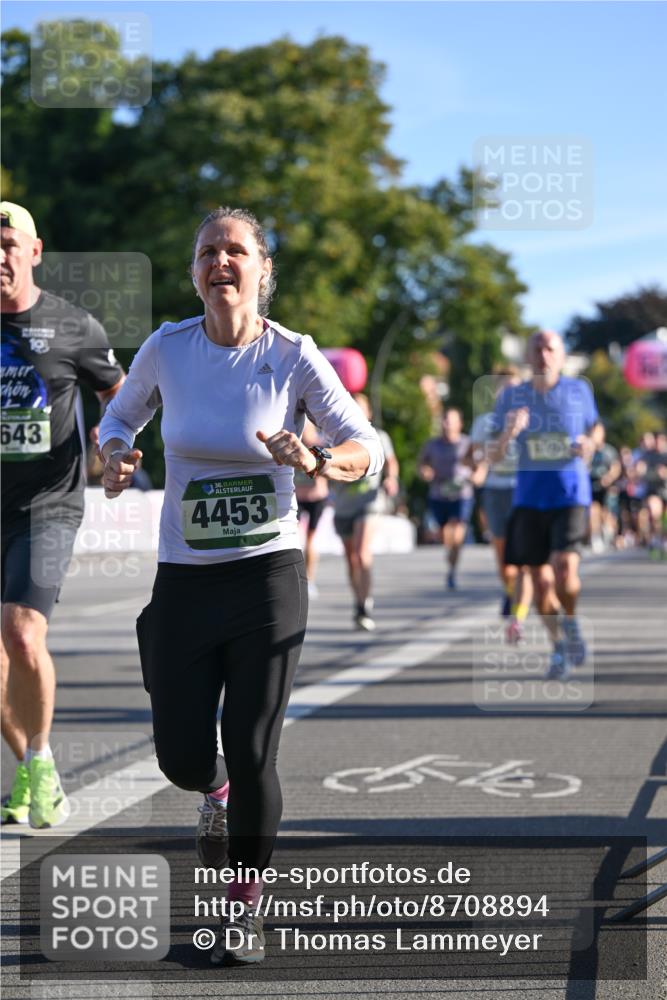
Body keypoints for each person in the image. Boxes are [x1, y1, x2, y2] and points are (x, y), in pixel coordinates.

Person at [98, 206, 383, 966]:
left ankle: (243, 907)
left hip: (267, 578)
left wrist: (316, 460)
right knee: (182, 757)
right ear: (194, 272)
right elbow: (117, 420)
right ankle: (212, 793)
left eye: (235, 251)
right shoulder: (168, 347)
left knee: (253, 748)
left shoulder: (292, 354)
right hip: (186, 579)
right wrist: (117, 456)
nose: (219, 262)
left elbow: (365, 447)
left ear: (262, 269)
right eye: (206, 252)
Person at [1, 202, 125, 828]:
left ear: (34, 250)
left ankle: (43, 759)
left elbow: (119, 394)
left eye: (8, 244)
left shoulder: (73, 325)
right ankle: (29, 769)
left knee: (23, 634)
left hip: (47, 505)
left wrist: (114, 436)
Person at [492, 330, 598, 680]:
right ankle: (558, 647)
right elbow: (492, 457)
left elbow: (596, 429)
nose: (544, 354)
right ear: (527, 356)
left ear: (562, 356)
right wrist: (508, 433)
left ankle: (571, 620)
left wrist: (589, 444)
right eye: (536, 348)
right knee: (540, 583)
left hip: (570, 493)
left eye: (550, 348)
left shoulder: (578, 390)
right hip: (529, 498)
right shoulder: (511, 397)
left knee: (565, 570)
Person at [469, 367, 532, 642]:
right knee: (504, 561)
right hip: (495, 490)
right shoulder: (484, 422)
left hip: (524, 491)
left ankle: (518, 618)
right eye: (503, 388)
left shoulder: (535, 420)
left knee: (525, 561)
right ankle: (509, 591)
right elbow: (480, 457)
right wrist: (508, 432)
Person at [331, 392, 399, 631]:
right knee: (351, 559)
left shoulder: (379, 436)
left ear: (368, 413)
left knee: (361, 553)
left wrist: (391, 479)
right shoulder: (335, 437)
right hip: (343, 505)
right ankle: (359, 600)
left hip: (369, 502)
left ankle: (363, 606)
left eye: (362, 408)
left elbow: (391, 462)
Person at [418, 407, 473, 590]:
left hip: (461, 493)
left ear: (459, 424)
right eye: (444, 420)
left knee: (456, 530)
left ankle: (452, 570)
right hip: (439, 494)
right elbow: (422, 464)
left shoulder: (467, 443)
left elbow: (479, 463)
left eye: (450, 421)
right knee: (446, 535)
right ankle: (452, 558)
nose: (446, 424)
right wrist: (425, 472)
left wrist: (476, 475)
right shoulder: (432, 445)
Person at [295, 418, 329, 598]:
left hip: (317, 497)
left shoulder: (320, 446)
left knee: (311, 539)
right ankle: (297, 579)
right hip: (298, 497)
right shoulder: (294, 445)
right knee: (295, 538)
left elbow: (329, 468)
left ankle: (310, 579)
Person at [588, 421, 621, 552]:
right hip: (591, 485)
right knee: (593, 511)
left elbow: (616, 468)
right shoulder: (587, 449)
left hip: (606, 487)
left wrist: (609, 478)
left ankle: (610, 534)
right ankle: (595, 537)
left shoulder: (609, 451)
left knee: (606, 513)